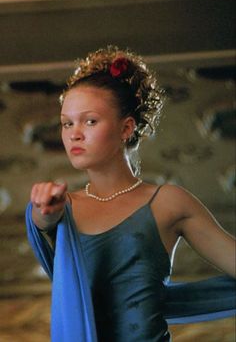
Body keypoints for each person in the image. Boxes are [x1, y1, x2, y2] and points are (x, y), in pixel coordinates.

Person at [26, 46, 236, 342]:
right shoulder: (61, 205)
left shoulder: (169, 203)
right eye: (66, 123)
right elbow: (42, 220)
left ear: (126, 128)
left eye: (90, 121)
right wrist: (43, 210)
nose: (74, 133)